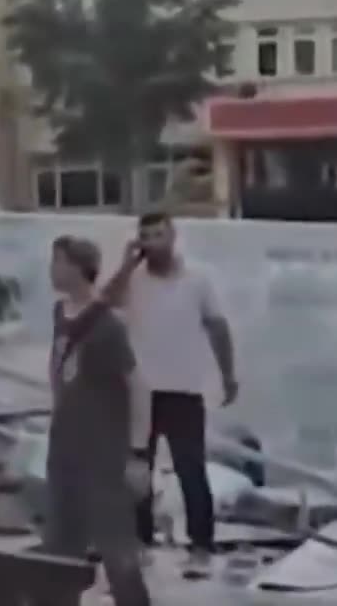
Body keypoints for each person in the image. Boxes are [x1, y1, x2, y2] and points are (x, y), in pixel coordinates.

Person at [101, 211, 238, 575]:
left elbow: (217, 326)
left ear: (173, 236)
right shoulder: (134, 280)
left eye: (159, 234)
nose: (152, 242)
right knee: (136, 471)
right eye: (146, 235)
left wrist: (228, 375)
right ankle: (140, 542)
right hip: (140, 391)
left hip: (184, 389)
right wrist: (127, 264)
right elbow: (105, 301)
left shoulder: (198, 278)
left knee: (190, 469)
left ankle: (202, 546)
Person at [43, 235, 151, 606]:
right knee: (59, 547)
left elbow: (138, 387)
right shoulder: (61, 313)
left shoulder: (108, 327)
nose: (52, 269)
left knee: (117, 549)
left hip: (103, 455)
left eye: (58, 261)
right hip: (64, 449)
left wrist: (138, 454)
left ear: (78, 268)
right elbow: (58, 368)